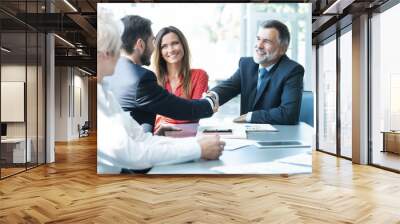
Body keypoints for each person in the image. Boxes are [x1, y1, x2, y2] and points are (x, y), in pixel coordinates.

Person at [97, 13, 225, 174]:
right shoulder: (140, 78)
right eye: (116, 49)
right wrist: (198, 148)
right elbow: (130, 153)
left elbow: (141, 139)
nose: (120, 55)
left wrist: (197, 144)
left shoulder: (105, 91)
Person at [104, 15, 218, 133]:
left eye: (175, 43)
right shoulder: (141, 78)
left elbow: (132, 120)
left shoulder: (111, 73)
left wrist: (156, 134)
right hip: (135, 149)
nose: (154, 48)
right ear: (141, 44)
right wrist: (209, 103)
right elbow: (178, 108)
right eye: (152, 42)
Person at [208, 20, 304, 125]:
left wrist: (250, 116)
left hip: (277, 137)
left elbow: (289, 114)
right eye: (258, 39)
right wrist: (211, 97)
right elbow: (228, 88)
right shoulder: (246, 64)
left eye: (266, 41)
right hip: (246, 135)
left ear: (283, 49)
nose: (259, 45)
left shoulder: (292, 70)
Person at [151, 26, 209, 134]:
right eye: (164, 46)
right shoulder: (152, 79)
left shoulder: (200, 75)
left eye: (175, 43)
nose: (171, 50)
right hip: (158, 139)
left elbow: (195, 113)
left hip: (187, 139)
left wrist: (163, 118)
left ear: (183, 45)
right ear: (159, 51)